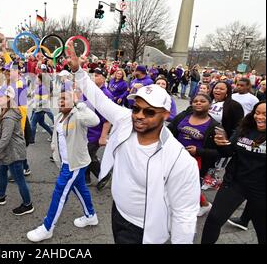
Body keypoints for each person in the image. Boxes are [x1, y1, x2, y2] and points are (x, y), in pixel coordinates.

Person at [67, 45, 200, 244]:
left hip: (145, 231)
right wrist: (78, 71)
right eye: (137, 108)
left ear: (165, 115)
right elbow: (100, 100)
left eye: (149, 112)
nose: (139, 115)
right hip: (117, 214)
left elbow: (184, 216)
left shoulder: (179, 160)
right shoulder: (125, 120)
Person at [27, 88, 100, 243]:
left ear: (72, 101)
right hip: (66, 163)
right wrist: (54, 149)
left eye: (64, 99)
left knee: (59, 193)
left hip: (74, 164)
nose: (60, 102)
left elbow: (95, 121)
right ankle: (91, 216)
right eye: (58, 99)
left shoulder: (78, 116)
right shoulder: (59, 116)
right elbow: (57, 137)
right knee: (80, 188)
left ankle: (47, 228)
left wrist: (79, 104)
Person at [201, 102, 266, 244]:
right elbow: (229, 152)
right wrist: (222, 143)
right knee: (214, 220)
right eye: (257, 112)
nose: (260, 117)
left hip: (261, 190)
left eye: (265, 114)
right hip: (235, 183)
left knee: (262, 230)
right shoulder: (246, 128)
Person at [0, 86, 34, 216]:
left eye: (0, 96)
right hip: (8, 151)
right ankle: (0, 196)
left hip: (14, 152)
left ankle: (28, 204)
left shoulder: (9, 116)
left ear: (8, 98)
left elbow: (4, 140)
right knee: (2, 173)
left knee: (19, 179)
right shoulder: (6, 111)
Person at [168, 94, 221, 217]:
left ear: (210, 105)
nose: (198, 103)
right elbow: (169, 130)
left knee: (191, 185)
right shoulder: (183, 116)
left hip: (196, 160)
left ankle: (205, 205)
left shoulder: (214, 126)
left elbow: (219, 152)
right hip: (176, 155)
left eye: (202, 101)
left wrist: (198, 151)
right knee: (173, 180)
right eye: (195, 101)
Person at [83, 68, 113, 190]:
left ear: (103, 78)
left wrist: (103, 136)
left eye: (97, 75)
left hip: (96, 132)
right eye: (93, 75)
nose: (93, 77)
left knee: (87, 155)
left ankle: (103, 175)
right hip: (87, 130)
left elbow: (108, 118)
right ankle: (86, 177)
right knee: (86, 155)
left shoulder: (106, 94)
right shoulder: (90, 91)